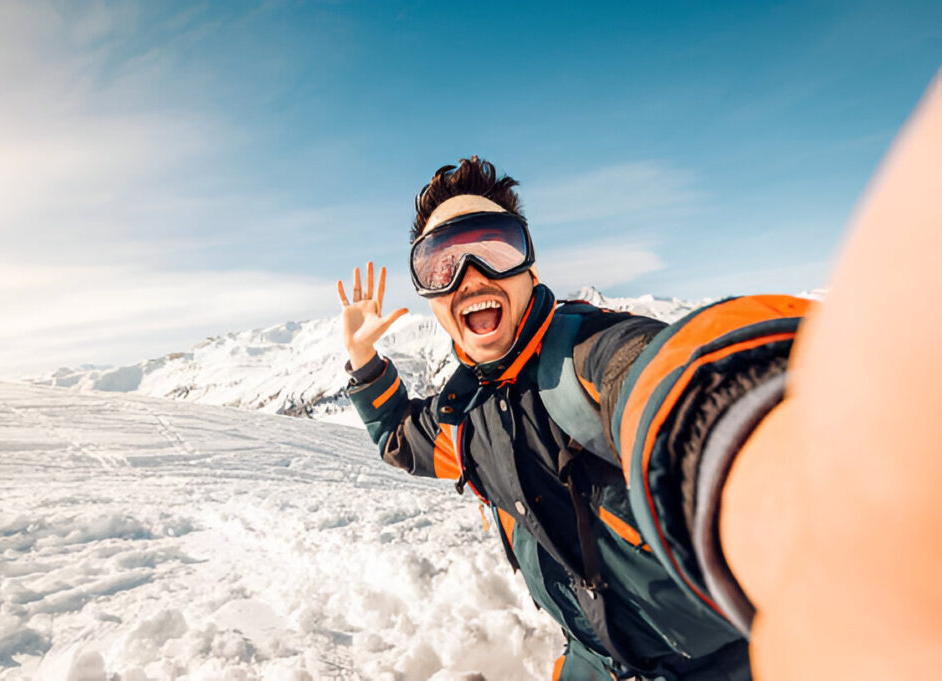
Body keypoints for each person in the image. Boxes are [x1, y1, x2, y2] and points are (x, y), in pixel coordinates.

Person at [335, 73, 941, 681]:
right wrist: (364, 364)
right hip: (593, 666)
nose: (468, 275)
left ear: (530, 267)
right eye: (440, 264)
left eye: (493, 250)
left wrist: (805, 501)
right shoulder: (466, 420)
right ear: (430, 296)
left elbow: (664, 381)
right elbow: (398, 439)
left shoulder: (587, 356)